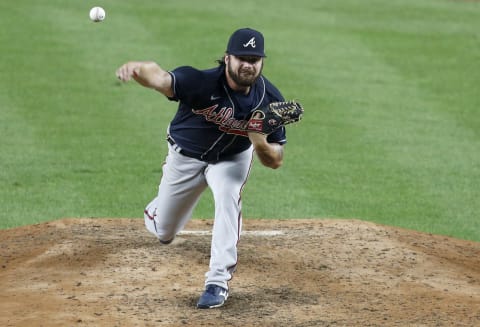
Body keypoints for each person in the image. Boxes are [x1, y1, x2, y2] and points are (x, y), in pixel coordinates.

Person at [116, 28, 288, 309]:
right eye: (242, 58)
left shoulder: (269, 100)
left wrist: (260, 144)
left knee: (228, 195)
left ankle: (217, 282)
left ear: (262, 63)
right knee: (164, 232)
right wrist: (137, 68)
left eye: (254, 59)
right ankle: (157, 211)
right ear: (227, 58)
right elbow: (160, 77)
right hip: (186, 157)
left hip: (232, 159)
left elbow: (276, 159)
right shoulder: (201, 82)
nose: (248, 65)